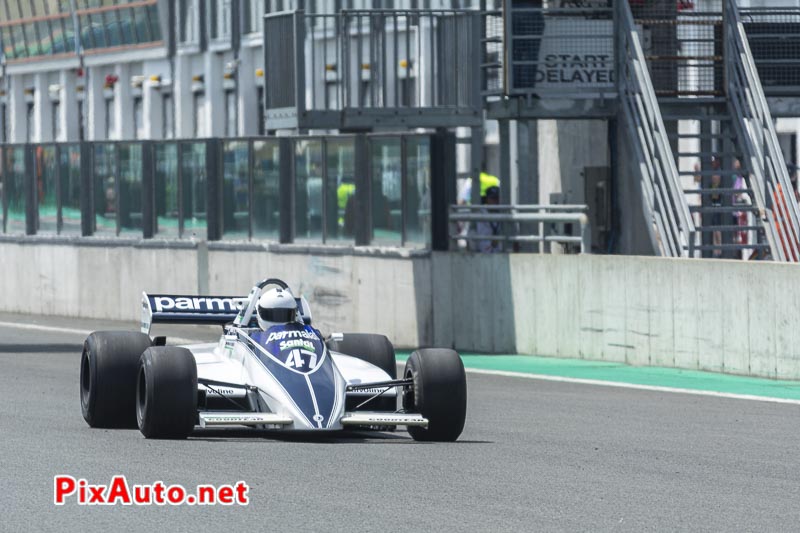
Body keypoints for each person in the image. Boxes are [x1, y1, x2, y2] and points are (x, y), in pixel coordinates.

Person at [471, 185, 502, 253]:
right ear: (486, 199)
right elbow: (471, 234)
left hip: (500, 252)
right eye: (492, 198)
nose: (495, 201)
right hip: (482, 251)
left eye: (497, 198)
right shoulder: (479, 214)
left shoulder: (504, 213)